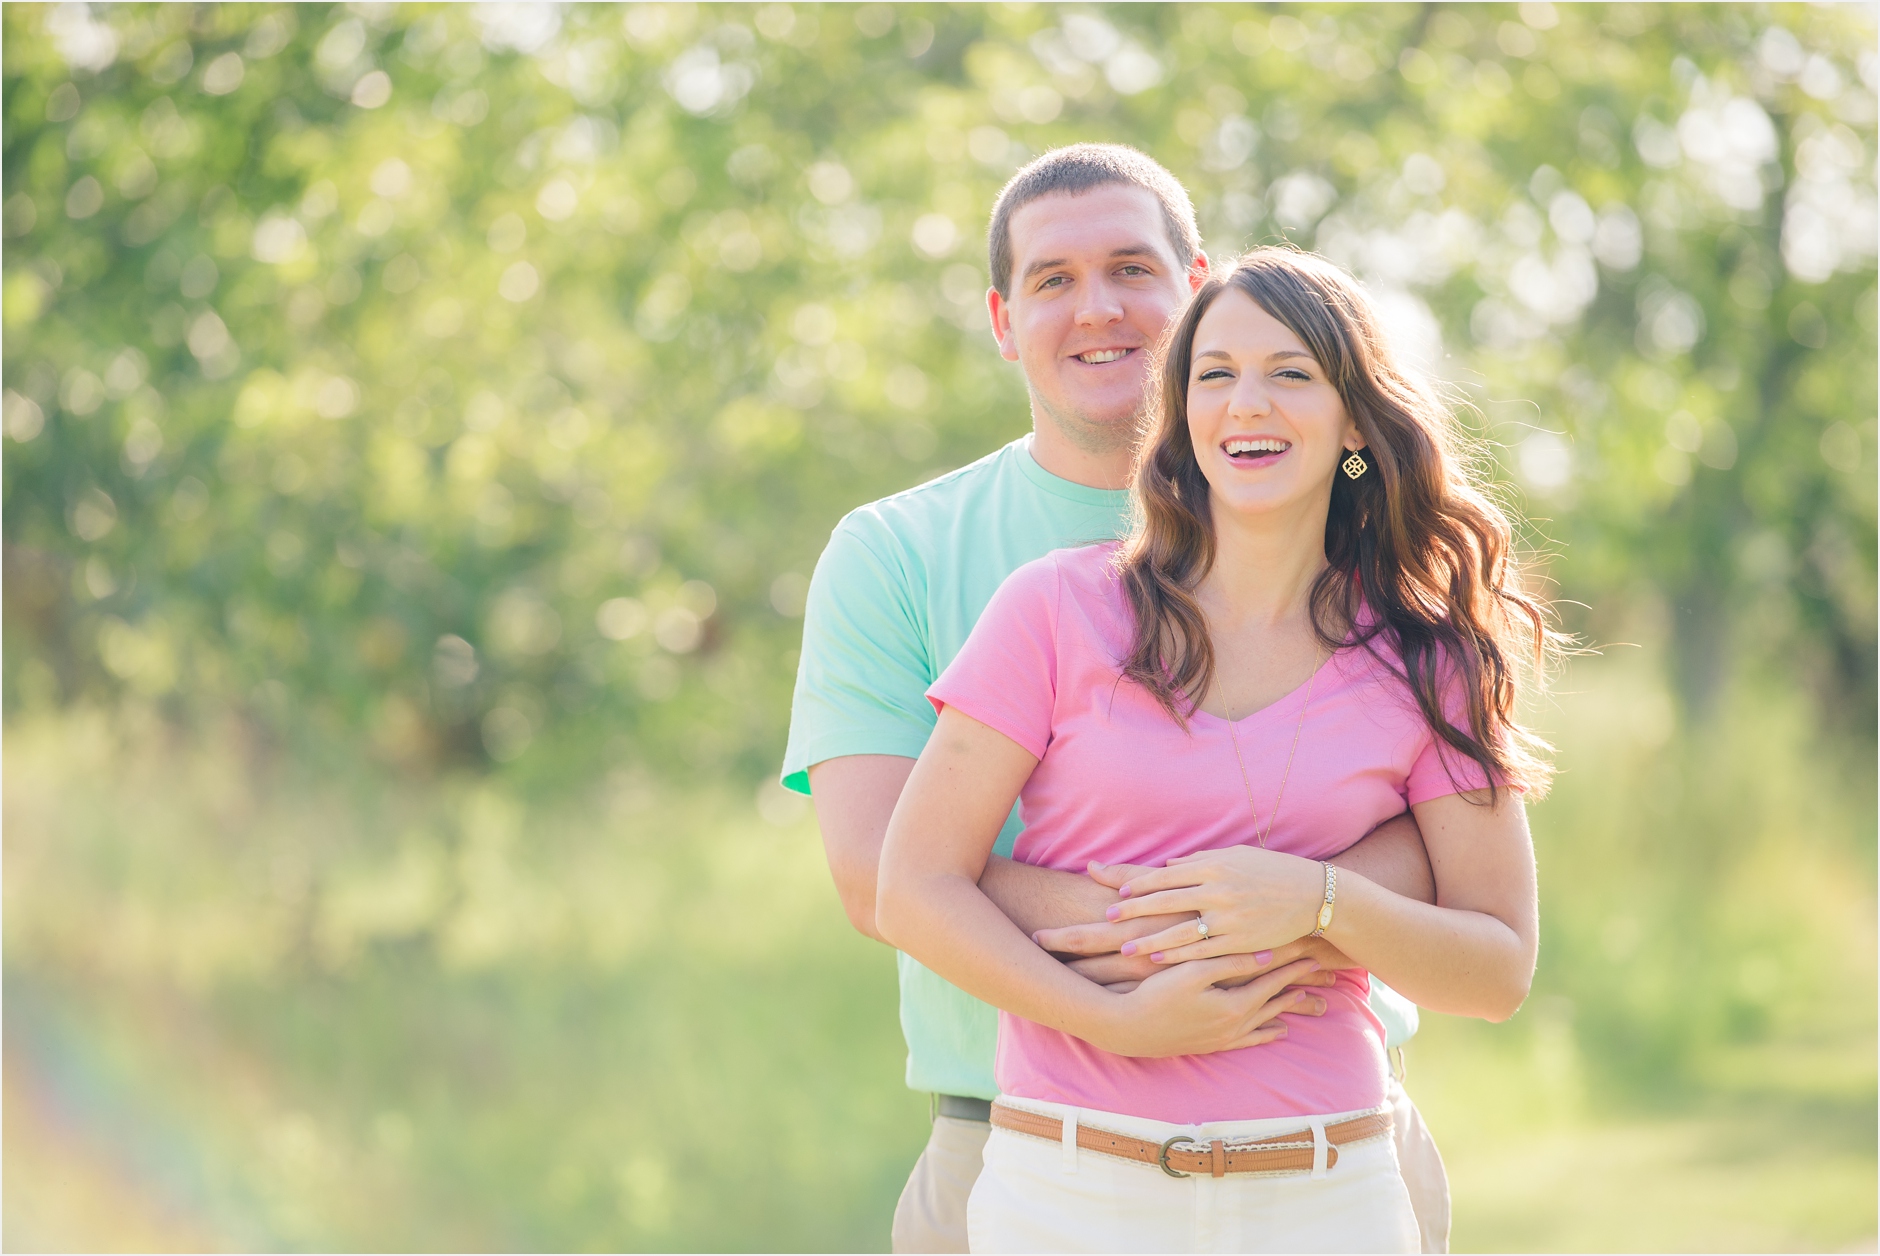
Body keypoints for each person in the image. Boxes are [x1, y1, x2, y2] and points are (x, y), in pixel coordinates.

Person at [781, 146, 1448, 1253]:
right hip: (1016, 1143)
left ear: (1196, 291)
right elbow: (876, 873)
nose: (1096, 308)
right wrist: (1209, 931)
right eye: (1051, 279)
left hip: (1329, 1141)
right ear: (1002, 319)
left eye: (1131, 268)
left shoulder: (1363, 554)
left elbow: (1449, 856)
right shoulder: (897, 551)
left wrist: (1287, 901)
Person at [874, 246, 1552, 1253]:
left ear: (1355, 421)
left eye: (1290, 373)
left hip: (1325, 1189)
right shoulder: (1055, 609)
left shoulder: (1426, 655)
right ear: (1181, 414)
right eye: (1215, 373)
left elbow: (1494, 967)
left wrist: (1318, 900)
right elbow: (913, 885)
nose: (1248, 403)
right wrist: (1116, 1021)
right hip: (1069, 1187)